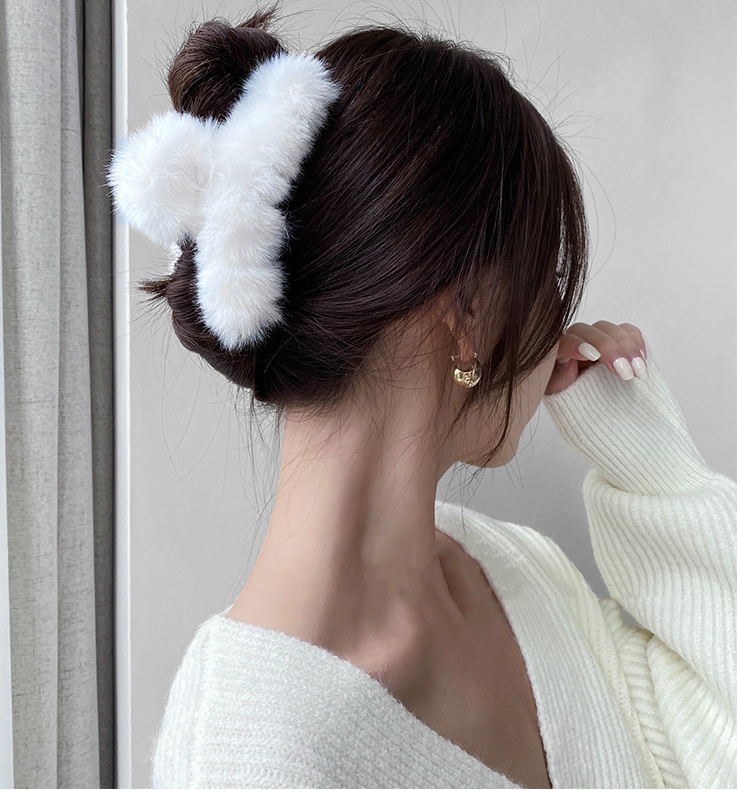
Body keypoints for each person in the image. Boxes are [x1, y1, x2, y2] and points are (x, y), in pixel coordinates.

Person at [108, 6, 737, 788]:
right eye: (543, 276)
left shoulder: (512, 569)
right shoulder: (247, 760)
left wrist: (657, 473)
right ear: (467, 312)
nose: (560, 321)